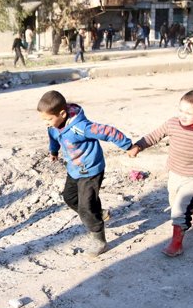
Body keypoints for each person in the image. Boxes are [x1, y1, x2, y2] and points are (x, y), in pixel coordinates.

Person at [37, 90, 139, 256]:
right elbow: (53, 136)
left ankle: (99, 239)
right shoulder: (53, 126)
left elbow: (108, 131)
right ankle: (97, 213)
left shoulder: (81, 127)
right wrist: (53, 151)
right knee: (69, 198)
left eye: (49, 119)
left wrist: (128, 146)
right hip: (74, 169)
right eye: (44, 120)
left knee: (85, 208)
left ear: (62, 113)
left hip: (91, 170)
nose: (46, 123)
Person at [131, 90, 193, 257]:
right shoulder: (172, 124)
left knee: (179, 211)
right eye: (181, 110)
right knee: (175, 202)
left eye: (189, 113)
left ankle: (176, 244)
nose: (183, 115)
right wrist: (138, 146)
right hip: (175, 173)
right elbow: (154, 136)